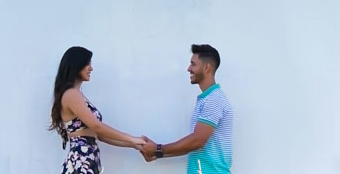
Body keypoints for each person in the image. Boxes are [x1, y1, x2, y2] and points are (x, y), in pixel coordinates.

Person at [135, 44, 233, 172]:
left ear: (206, 67)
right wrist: (158, 153)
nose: (189, 69)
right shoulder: (207, 99)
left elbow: (197, 141)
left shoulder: (213, 99)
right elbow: (193, 145)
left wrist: (158, 149)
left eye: (193, 64)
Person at [50, 46, 146, 174]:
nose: (91, 68)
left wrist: (132, 145)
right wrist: (133, 139)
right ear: (76, 65)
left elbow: (99, 135)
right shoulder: (71, 94)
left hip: (88, 161)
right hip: (80, 163)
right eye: (87, 64)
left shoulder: (78, 95)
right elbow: (96, 126)